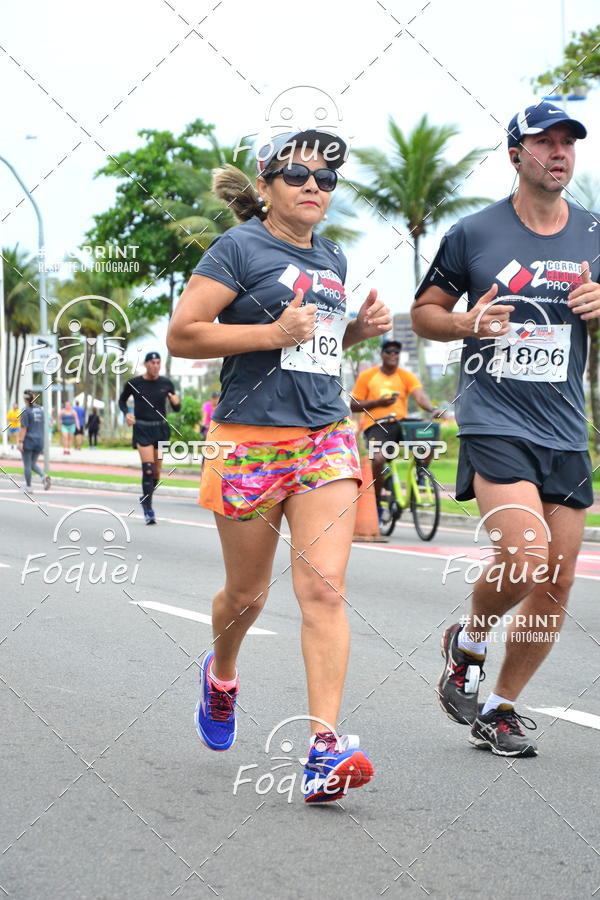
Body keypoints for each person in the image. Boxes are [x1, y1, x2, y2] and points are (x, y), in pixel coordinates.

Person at [167, 128, 391, 803]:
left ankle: (324, 750)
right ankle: (223, 676)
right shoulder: (238, 248)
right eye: (297, 176)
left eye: (326, 179)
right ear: (265, 187)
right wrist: (269, 333)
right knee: (248, 596)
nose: (314, 188)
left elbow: (314, 344)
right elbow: (182, 334)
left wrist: (355, 332)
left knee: (323, 590)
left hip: (324, 435)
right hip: (248, 440)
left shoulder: (334, 258)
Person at [411, 101, 600, 757]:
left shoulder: (596, 233)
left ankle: (499, 708)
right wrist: (468, 323)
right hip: (495, 418)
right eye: (544, 142)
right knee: (526, 555)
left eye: (568, 142)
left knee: (558, 580)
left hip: (566, 428)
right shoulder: (473, 234)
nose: (559, 152)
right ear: (515, 154)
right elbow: (425, 312)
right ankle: (470, 639)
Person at [350, 340, 441, 506]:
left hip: (401, 424)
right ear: (382, 354)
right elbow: (353, 405)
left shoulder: (406, 375)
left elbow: (420, 396)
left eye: (396, 352)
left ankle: (420, 476)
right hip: (376, 426)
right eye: (389, 351)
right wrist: (378, 403)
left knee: (430, 441)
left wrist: (432, 408)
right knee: (378, 459)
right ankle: (376, 502)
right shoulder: (368, 376)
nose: (393, 355)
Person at [118, 352, 180, 525]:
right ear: (146, 364)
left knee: (157, 472)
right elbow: (122, 401)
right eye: (152, 362)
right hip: (142, 428)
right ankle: (149, 510)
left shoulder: (166, 383)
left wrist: (176, 402)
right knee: (148, 469)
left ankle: (145, 498)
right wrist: (127, 413)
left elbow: (177, 408)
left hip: (160, 429)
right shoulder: (134, 383)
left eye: (158, 363)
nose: (156, 366)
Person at [18, 390, 51, 491]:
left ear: (25, 399)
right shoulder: (40, 410)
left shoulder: (25, 411)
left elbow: (24, 428)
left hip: (29, 440)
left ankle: (28, 486)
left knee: (27, 464)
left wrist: (20, 442)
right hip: (40, 440)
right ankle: (43, 476)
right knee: (32, 464)